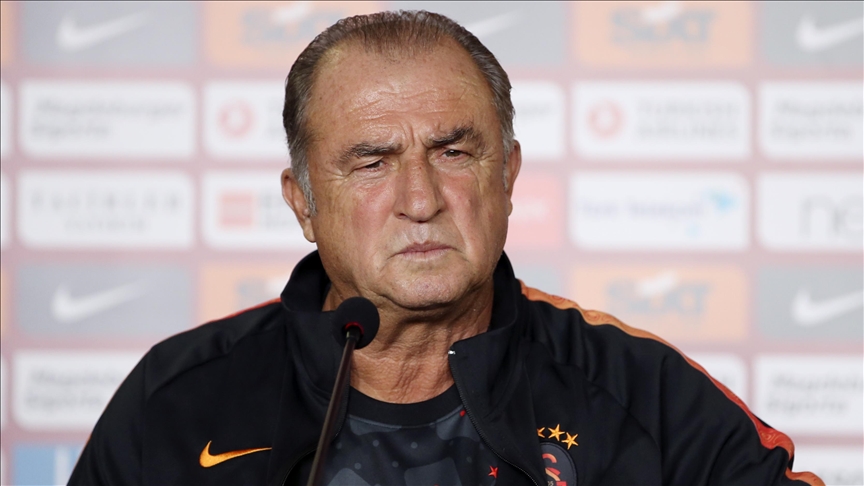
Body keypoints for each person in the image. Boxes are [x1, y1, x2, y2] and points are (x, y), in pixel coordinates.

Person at [69, 10, 823, 486]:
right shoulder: (179, 397)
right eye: (372, 162)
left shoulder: (639, 390)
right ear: (303, 203)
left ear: (508, 176)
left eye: (454, 153)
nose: (421, 199)